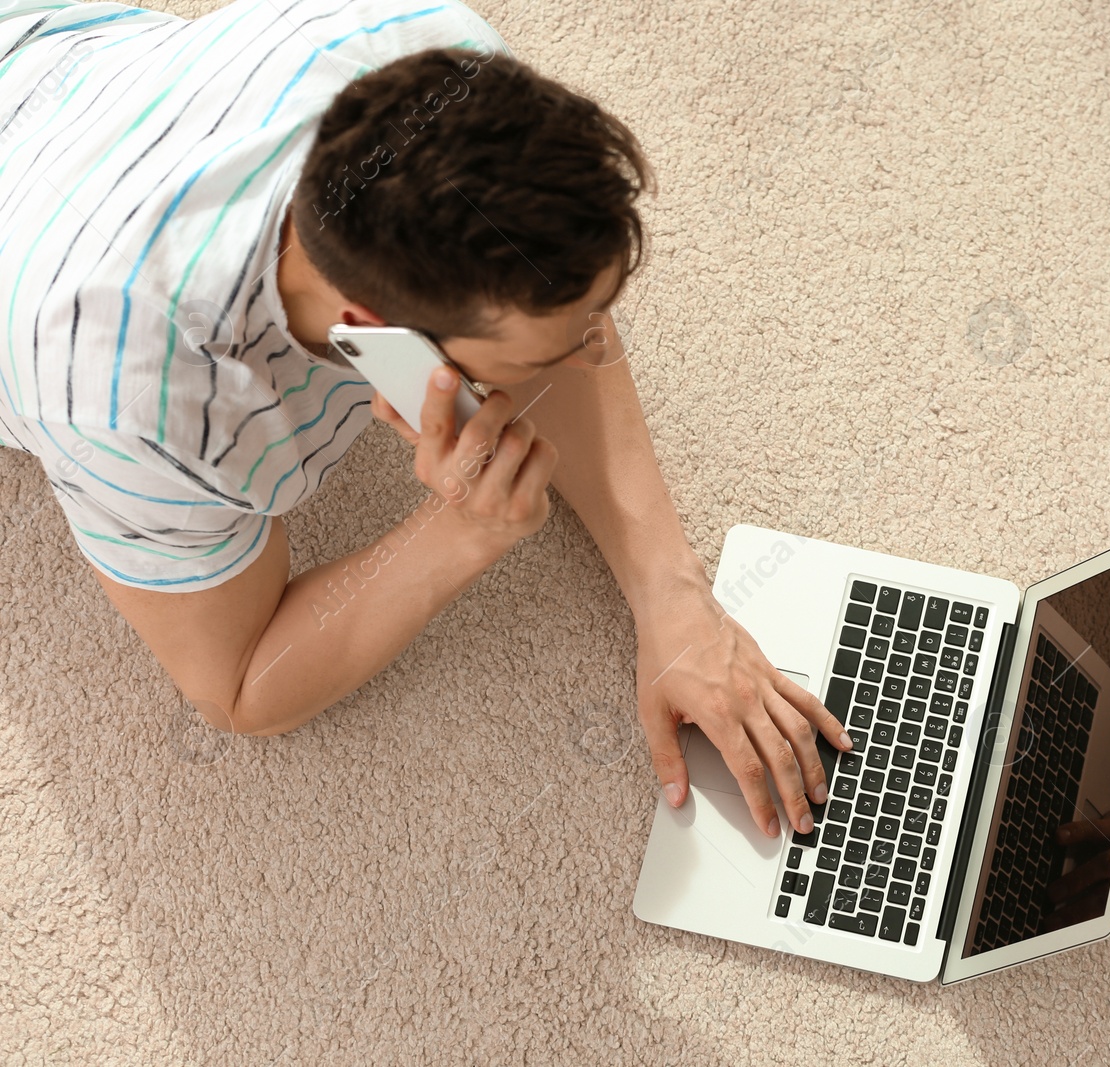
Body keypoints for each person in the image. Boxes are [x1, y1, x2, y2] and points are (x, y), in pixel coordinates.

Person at [0, 0, 851, 839]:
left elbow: (551, 289)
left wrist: (673, 597)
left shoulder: (423, 48)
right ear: (372, 329)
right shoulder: (130, 400)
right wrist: (461, 534)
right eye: (550, 352)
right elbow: (238, 684)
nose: (597, 357)